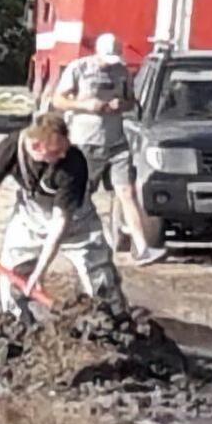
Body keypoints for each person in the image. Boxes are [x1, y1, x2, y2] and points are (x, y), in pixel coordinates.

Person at [0, 113, 128, 321]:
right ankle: (19, 325)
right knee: (15, 276)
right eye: (56, 151)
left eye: (65, 147)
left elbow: (60, 223)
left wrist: (40, 272)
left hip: (77, 220)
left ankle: (114, 323)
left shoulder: (73, 162)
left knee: (99, 276)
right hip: (30, 216)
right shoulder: (8, 149)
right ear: (36, 147)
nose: (63, 154)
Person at [51, 33, 165, 267]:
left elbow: (131, 100)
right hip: (87, 142)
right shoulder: (79, 69)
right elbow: (58, 101)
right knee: (80, 194)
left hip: (116, 143)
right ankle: (64, 238)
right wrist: (85, 105)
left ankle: (142, 248)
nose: (111, 63)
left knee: (127, 193)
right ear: (97, 52)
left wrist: (120, 105)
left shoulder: (121, 72)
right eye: (107, 58)